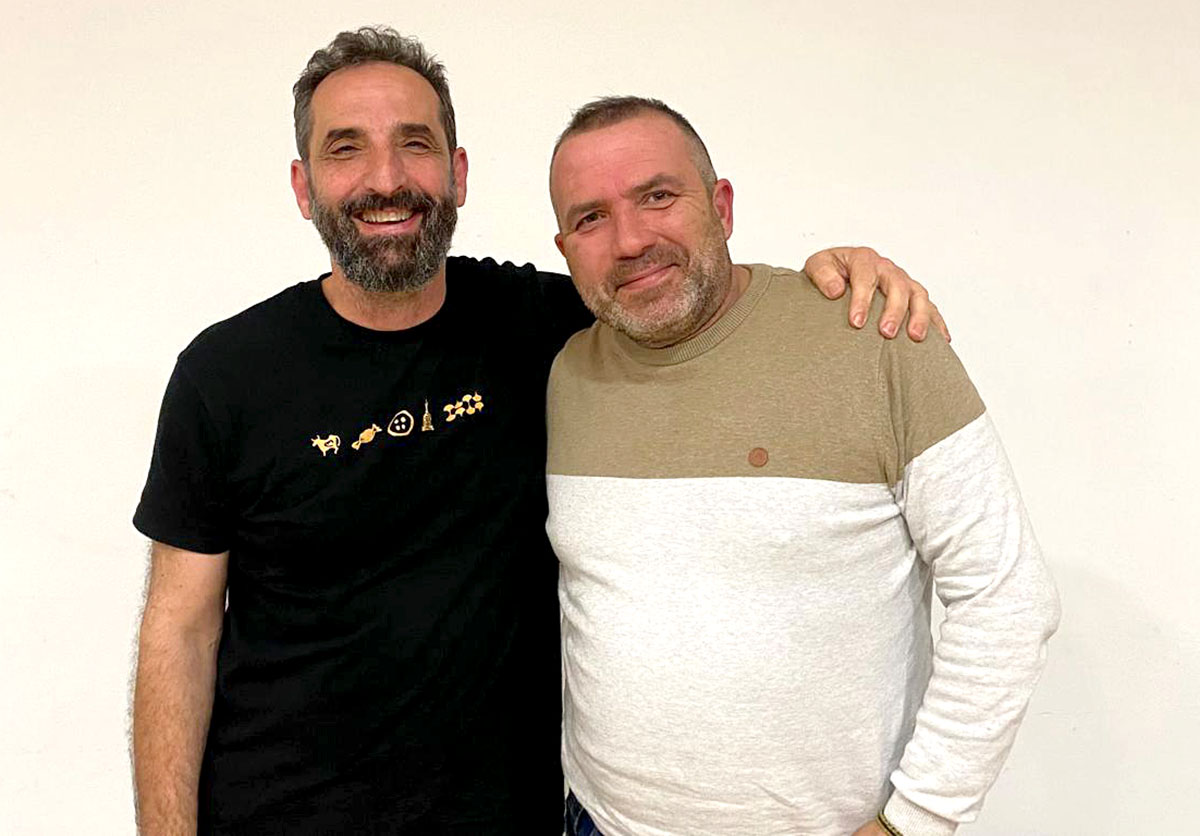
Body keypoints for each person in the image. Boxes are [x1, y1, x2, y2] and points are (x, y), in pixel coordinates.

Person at [131, 27, 947, 835]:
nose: (386, 178)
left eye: (415, 144)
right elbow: (180, 630)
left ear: (457, 174)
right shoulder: (225, 375)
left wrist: (830, 280)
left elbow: (682, 290)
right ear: (304, 186)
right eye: (346, 149)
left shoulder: (549, 330)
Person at [546, 96, 1060, 836]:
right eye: (591, 218)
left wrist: (915, 819)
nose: (630, 240)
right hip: (597, 822)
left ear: (721, 206)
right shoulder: (564, 374)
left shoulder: (875, 337)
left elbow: (1007, 596)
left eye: (657, 196)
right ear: (564, 247)